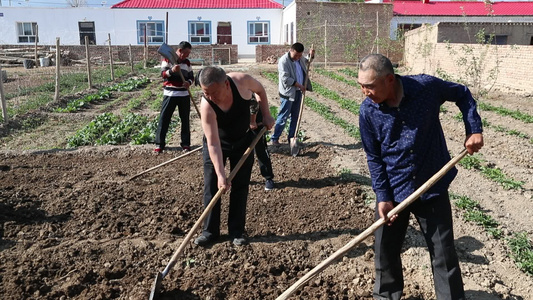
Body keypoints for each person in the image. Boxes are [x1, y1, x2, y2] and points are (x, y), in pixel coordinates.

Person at [357, 54, 484, 300]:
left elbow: (463, 94)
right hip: (394, 191)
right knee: (385, 252)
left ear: (390, 80)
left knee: (443, 253)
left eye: (370, 86)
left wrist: (474, 129)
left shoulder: (425, 88)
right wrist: (383, 197)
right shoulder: (368, 112)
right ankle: (385, 297)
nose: (364, 91)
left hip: (432, 183)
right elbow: (373, 157)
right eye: (361, 85)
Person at [194, 66, 275, 247]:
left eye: (213, 92)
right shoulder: (207, 105)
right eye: (205, 92)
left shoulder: (242, 82)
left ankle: (237, 231)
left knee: (240, 185)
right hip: (217, 144)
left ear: (226, 85)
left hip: (243, 141)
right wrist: (221, 174)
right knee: (212, 185)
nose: (209, 96)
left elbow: (260, 90)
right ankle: (209, 232)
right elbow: (213, 143)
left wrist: (267, 115)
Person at [270, 42, 314, 146]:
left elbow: (307, 62)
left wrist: (311, 56)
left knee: (295, 116)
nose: (298, 57)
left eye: (300, 55)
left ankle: (291, 138)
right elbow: (285, 79)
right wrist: (299, 85)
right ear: (291, 50)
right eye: (296, 55)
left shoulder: (300, 58)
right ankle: (275, 138)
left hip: (298, 92)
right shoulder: (283, 61)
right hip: (288, 93)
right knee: (284, 116)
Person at [154, 41, 194, 153]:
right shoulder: (167, 59)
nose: (187, 55)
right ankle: (159, 144)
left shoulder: (187, 63)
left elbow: (191, 77)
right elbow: (163, 74)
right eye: (186, 53)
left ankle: (185, 144)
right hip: (170, 94)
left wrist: (188, 83)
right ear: (180, 50)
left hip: (184, 95)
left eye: (189, 53)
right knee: (164, 119)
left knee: (185, 120)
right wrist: (172, 71)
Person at [249, 98, 275, 190]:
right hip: (240, 121)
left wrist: (252, 120)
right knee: (241, 151)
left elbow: (254, 102)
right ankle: (241, 177)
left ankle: (268, 178)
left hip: (255, 117)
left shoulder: (241, 87)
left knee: (261, 148)